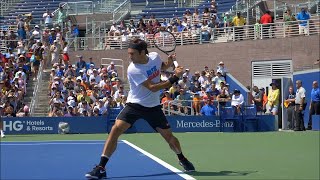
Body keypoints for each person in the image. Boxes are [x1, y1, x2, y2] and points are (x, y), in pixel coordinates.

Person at [85, 38, 195, 179]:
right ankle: (101, 168)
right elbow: (153, 88)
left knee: (169, 137)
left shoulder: (154, 56)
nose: (129, 57)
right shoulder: (133, 69)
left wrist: (169, 62)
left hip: (153, 107)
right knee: (115, 129)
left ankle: (182, 159)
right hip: (135, 105)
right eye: (129, 53)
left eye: (132, 54)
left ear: (143, 52)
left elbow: (160, 67)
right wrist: (175, 77)